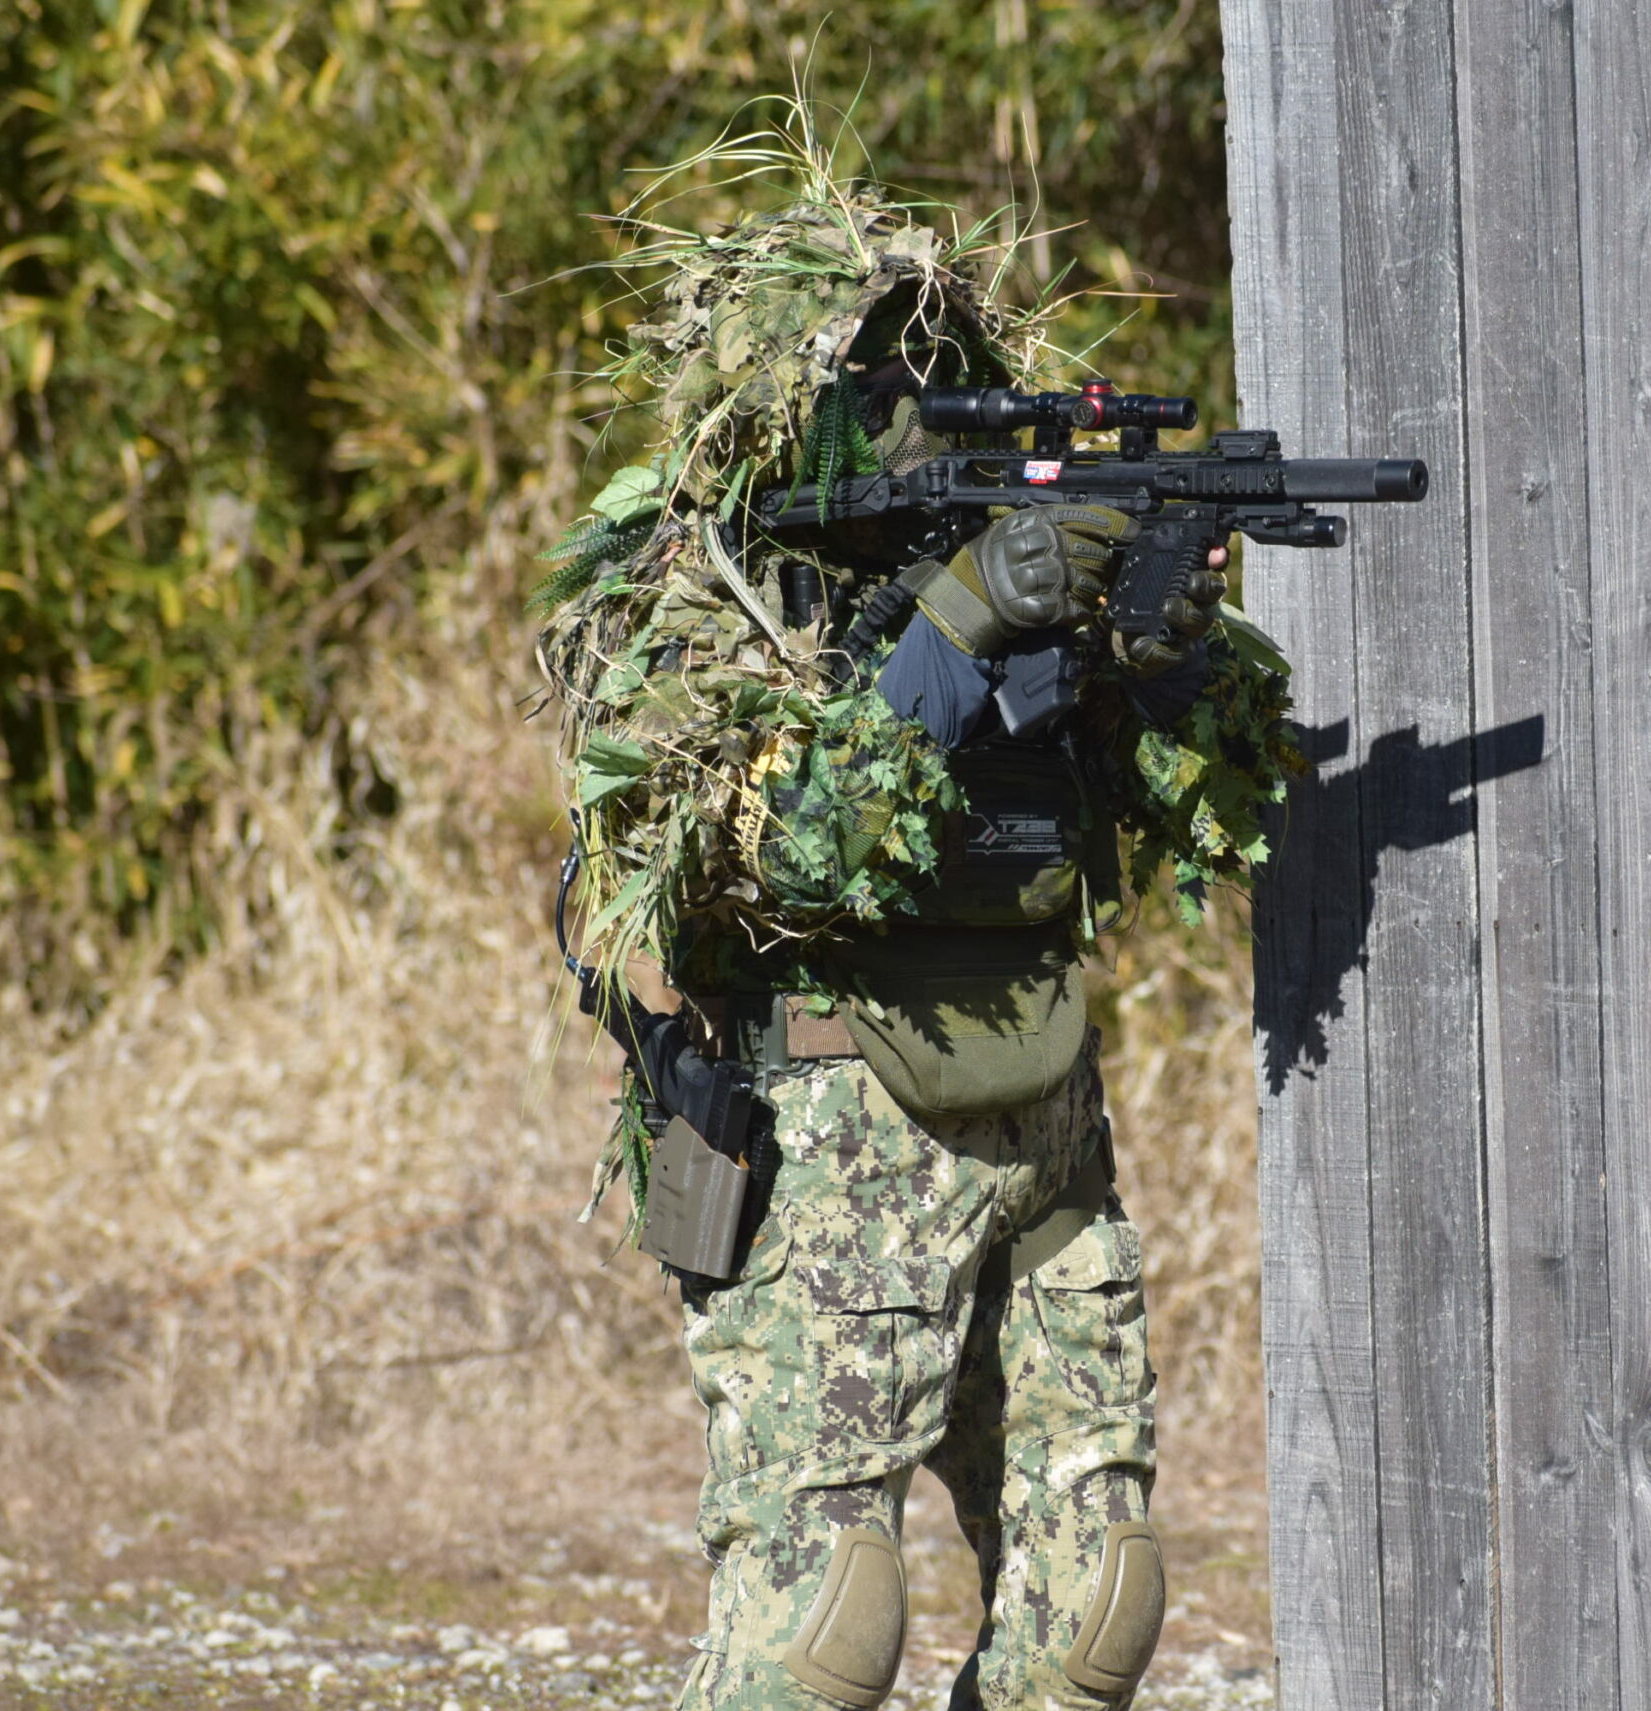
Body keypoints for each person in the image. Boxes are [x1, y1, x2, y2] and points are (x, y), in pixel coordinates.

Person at [535, 162, 1283, 1711]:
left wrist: (1157, 651)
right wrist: (957, 624)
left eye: (937, 369)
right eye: (877, 375)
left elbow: (1202, 815)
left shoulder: (1020, 561)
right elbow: (778, 843)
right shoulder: (713, 586)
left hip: (1041, 1115)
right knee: (824, 1635)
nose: (911, 403)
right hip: (831, 1131)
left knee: (1096, 1610)